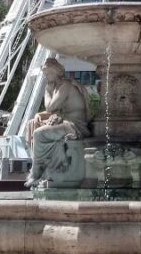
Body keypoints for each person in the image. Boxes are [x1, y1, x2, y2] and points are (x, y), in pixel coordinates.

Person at [24, 59, 91, 187]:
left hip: (75, 126)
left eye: (49, 74)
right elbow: (54, 110)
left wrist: (47, 90)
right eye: (45, 74)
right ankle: (43, 167)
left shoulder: (65, 86)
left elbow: (49, 107)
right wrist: (40, 115)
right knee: (32, 124)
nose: (47, 77)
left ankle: (36, 171)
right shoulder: (58, 87)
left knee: (39, 134)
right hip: (66, 122)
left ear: (57, 72)